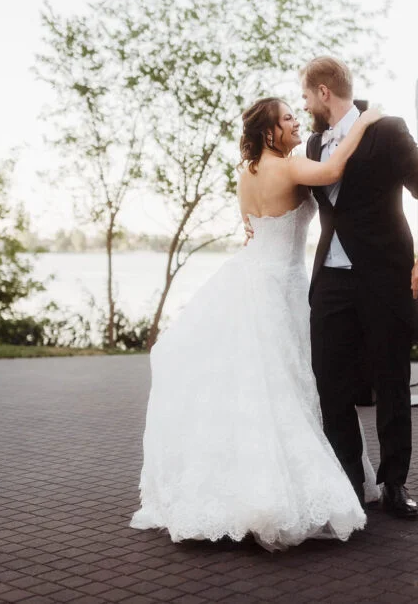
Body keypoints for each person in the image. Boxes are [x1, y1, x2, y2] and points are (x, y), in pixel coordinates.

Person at [131, 98, 382, 551]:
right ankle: (278, 493)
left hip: (251, 275)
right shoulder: (289, 167)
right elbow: (332, 170)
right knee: (287, 385)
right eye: (287, 118)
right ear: (269, 132)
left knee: (253, 385)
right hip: (280, 286)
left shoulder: (245, 173)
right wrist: (365, 120)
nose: (295, 121)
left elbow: (250, 224)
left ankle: (236, 487)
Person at [301, 56, 418, 519]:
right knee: (329, 381)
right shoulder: (313, 143)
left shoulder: (387, 130)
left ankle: (394, 483)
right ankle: (350, 480)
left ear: (324, 92)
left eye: (305, 96)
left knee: (390, 382)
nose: (303, 105)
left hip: (384, 277)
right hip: (331, 280)